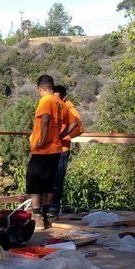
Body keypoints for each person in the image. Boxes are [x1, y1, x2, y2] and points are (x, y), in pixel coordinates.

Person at [25, 74, 65, 228]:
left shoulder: (46, 101)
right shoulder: (59, 102)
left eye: (38, 91)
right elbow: (73, 123)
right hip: (55, 148)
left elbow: (46, 119)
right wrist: (57, 136)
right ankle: (47, 216)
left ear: (41, 89)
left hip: (43, 150)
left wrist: (42, 140)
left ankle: (37, 216)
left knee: (34, 182)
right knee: (48, 184)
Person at [50, 84, 83, 215]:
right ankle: (46, 206)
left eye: (58, 98)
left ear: (64, 98)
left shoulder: (69, 108)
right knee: (48, 178)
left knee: (58, 179)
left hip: (62, 149)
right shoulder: (53, 106)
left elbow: (79, 127)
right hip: (50, 149)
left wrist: (62, 137)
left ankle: (54, 207)